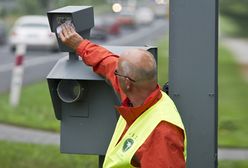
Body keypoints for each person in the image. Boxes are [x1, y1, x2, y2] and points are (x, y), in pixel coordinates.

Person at [59, 23, 186, 168]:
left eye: (117, 72)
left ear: (127, 82)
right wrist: (80, 45)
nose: (114, 73)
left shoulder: (162, 133)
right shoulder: (138, 95)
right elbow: (108, 63)